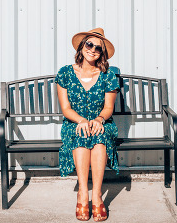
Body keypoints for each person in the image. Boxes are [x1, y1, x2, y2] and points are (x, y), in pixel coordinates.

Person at [55, 28, 119, 221]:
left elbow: (108, 108)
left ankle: (97, 196)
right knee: (82, 134)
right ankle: (83, 193)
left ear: (102, 53)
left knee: (99, 137)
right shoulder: (65, 73)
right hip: (74, 123)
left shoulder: (108, 75)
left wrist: (99, 119)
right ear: (82, 46)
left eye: (98, 48)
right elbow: (65, 108)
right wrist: (82, 120)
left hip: (101, 122)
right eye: (89, 44)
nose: (93, 50)